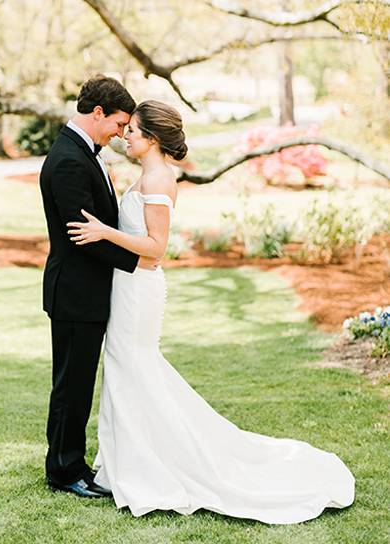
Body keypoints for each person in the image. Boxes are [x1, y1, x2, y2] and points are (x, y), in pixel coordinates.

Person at [67, 100, 355, 523]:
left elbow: (156, 249)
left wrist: (103, 231)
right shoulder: (146, 174)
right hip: (126, 289)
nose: (124, 135)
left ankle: (154, 467)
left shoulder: (160, 179)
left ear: (152, 139)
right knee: (126, 372)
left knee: (135, 369)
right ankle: (123, 466)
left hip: (140, 290)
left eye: (132, 131)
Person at [39, 75, 159, 499]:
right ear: (97, 113)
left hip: (86, 292)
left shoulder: (81, 153)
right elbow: (82, 235)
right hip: (76, 292)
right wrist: (139, 261)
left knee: (76, 383)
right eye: (119, 123)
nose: (122, 133)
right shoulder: (70, 160)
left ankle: (70, 462)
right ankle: (65, 471)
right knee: (72, 386)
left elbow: (99, 227)